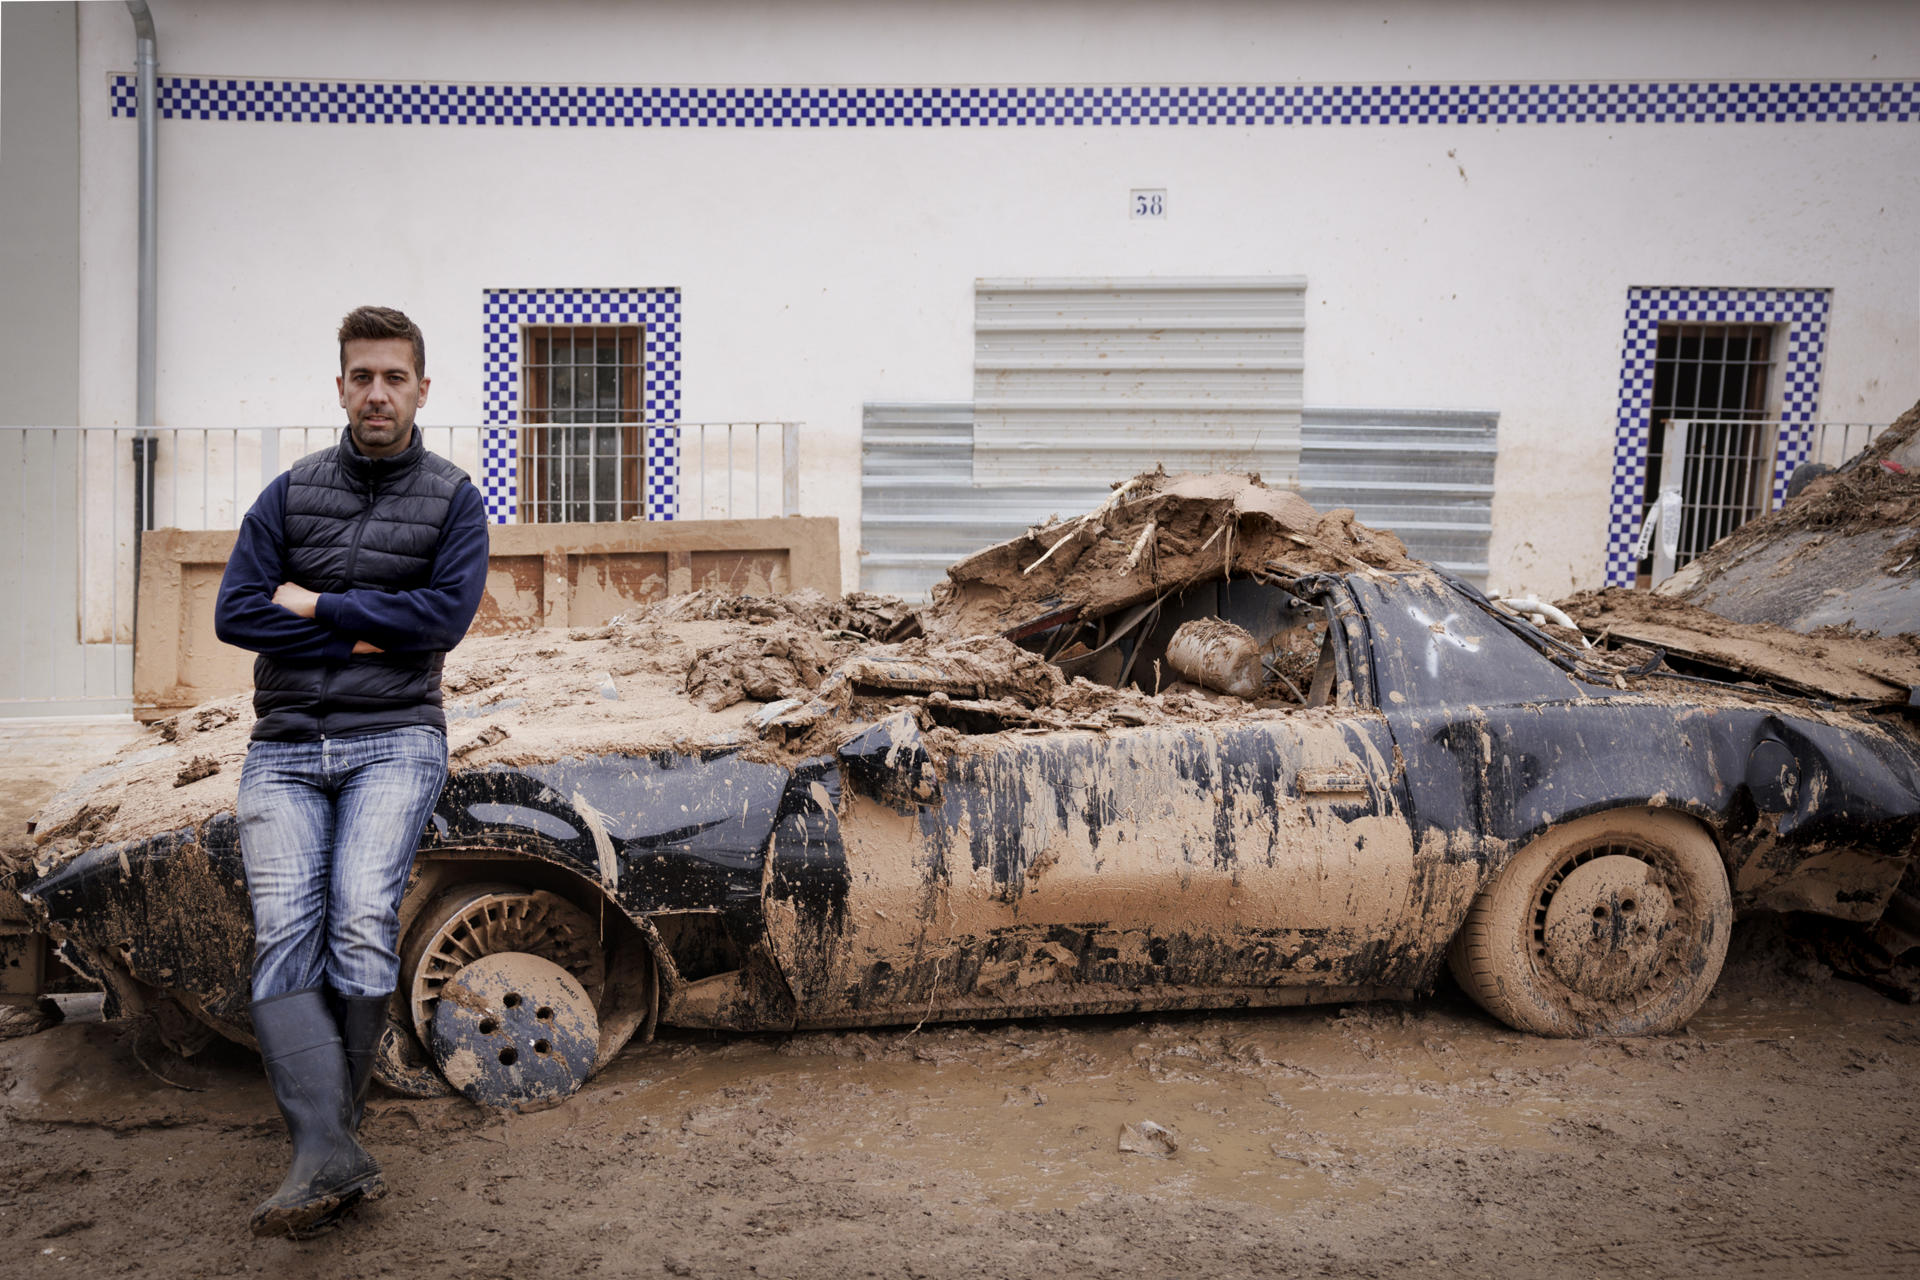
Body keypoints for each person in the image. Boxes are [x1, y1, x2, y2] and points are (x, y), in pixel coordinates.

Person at [214, 306, 489, 1237]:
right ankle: (323, 1144)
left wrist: (321, 603)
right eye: (362, 376)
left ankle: (332, 1137)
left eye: (394, 377)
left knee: (360, 916)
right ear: (341, 387)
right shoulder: (289, 495)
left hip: (395, 736)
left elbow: (442, 620)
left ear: (422, 388)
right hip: (285, 746)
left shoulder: (452, 498)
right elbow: (236, 613)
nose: (378, 392)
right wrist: (374, 626)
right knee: (286, 927)